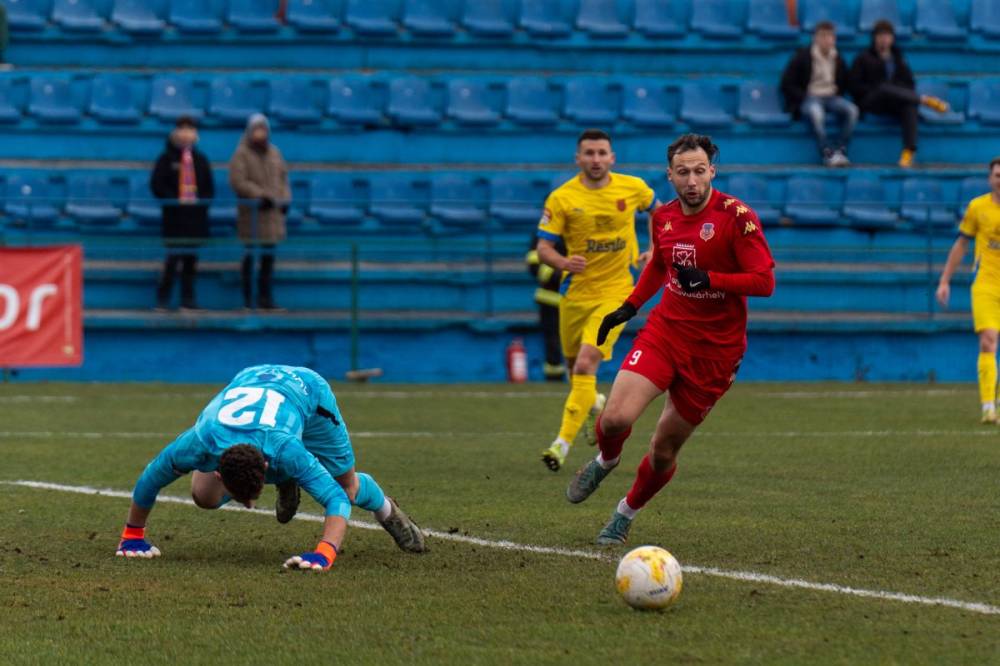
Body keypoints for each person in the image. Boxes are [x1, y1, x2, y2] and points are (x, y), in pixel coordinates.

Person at [564, 134, 775, 545]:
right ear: (670, 176)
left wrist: (712, 279)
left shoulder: (738, 217)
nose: (692, 180)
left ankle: (625, 512)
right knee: (615, 419)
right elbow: (660, 263)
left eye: (700, 171)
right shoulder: (663, 218)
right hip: (667, 331)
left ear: (712, 171)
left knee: (663, 450)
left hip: (715, 353)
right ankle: (606, 459)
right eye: (683, 172)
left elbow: (764, 281)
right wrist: (630, 307)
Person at [115, 364, 427, 571]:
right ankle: (288, 480)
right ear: (219, 471)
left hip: (308, 393)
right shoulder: (199, 441)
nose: (250, 507)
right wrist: (132, 536)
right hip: (251, 378)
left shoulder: (284, 449)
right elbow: (150, 478)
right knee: (203, 495)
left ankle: (387, 510)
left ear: (266, 465)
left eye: (249, 498)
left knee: (347, 486)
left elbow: (336, 500)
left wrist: (323, 553)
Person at [536, 129, 657, 472]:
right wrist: (562, 262)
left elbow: (659, 212)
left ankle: (560, 445)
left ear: (612, 157)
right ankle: (595, 404)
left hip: (617, 292)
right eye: (589, 153)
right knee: (577, 372)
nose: (596, 159)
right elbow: (543, 247)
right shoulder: (561, 198)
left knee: (588, 363)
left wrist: (654, 249)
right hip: (575, 295)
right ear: (578, 158)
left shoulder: (632, 187)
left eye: (602, 152)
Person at [936, 158, 1000, 424]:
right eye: (998, 175)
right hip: (986, 284)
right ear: (990, 178)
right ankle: (988, 407)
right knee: (988, 340)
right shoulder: (977, 207)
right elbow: (961, 244)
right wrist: (944, 281)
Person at [848, 19, 949, 168]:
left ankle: (908, 152)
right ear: (874, 38)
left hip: (894, 101)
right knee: (883, 87)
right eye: (880, 36)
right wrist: (874, 89)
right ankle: (925, 100)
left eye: (887, 36)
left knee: (910, 105)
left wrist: (897, 90)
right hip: (870, 101)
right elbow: (854, 86)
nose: (884, 39)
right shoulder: (863, 58)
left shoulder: (898, 58)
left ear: (892, 38)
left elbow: (909, 83)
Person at [151, 116, 214, 312]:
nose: (187, 133)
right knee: (173, 260)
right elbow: (157, 185)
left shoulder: (201, 160)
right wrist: (174, 200)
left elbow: (209, 188)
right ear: (176, 133)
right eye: (183, 129)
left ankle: (188, 300)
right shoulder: (166, 158)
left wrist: (199, 203)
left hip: (194, 219)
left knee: (190, 261)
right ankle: (163, 299)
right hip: (174, 218)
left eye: (191, 130)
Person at [229, 113, 291, 311]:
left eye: (263, 129)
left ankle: (266, 299)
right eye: (256, 129)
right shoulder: (241, 154)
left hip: (272, 216)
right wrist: (259, 196)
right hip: (252, 215)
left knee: (268, 260)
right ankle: (248, 300)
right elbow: (238, 182)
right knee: (250, 257)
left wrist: (285, 199)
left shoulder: (275, 153)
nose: (260, 133)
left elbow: (283, 179)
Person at [779, 20, 858, 167]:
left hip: (832, 97)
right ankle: (826, 152)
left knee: (852, 111)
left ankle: (840, 150)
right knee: (816, 113)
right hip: (810, 97)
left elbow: (846, 81)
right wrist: (803, 96)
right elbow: (787, 83)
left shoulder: (838, 58)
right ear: (815, 37)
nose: (827, 39)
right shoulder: (802, 56)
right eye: (823, 36)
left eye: (830, 36)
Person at [526, 233, 568, 382]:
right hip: (550, 299)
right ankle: (553, 379)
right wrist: (562, 275)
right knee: (552, 343)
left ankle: (581, 380)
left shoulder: (581, 227)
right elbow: (534, 266)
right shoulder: (543, 233)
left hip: (578, 300)